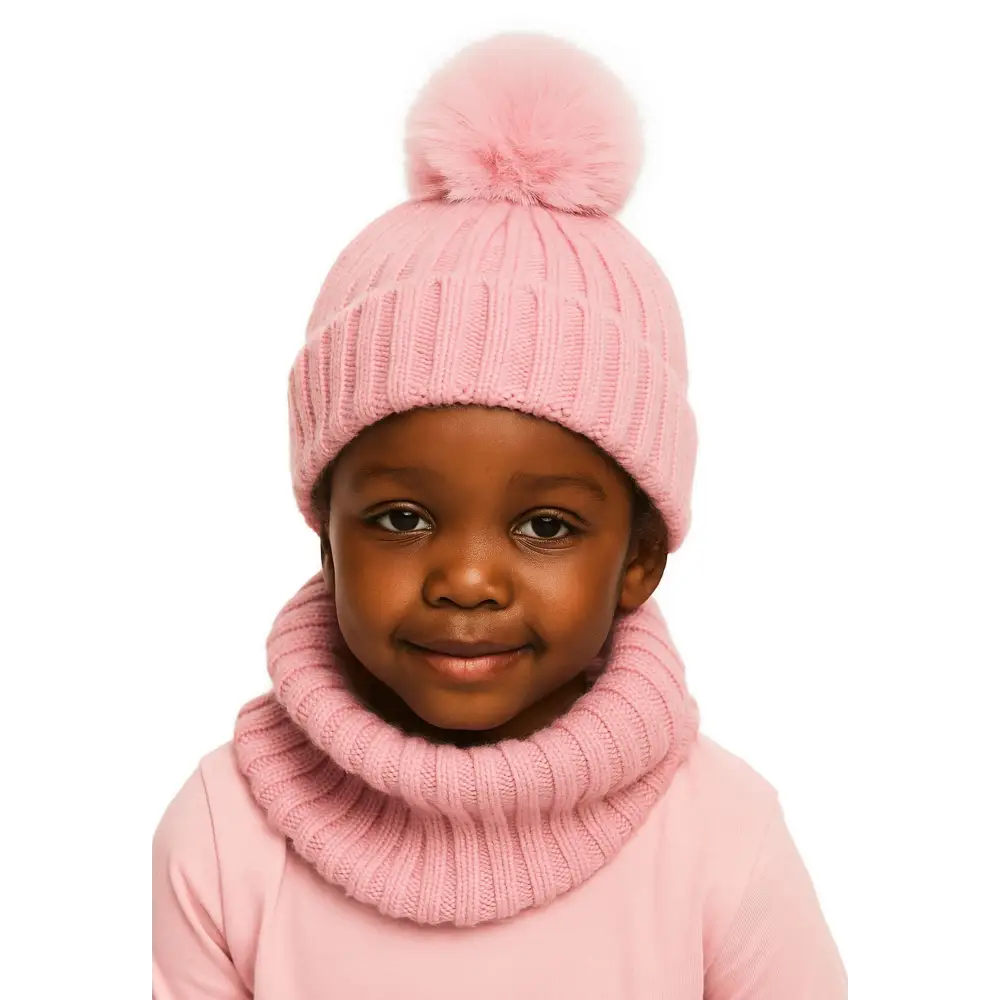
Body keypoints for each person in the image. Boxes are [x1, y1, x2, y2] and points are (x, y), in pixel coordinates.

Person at [152, 32, 847, 999]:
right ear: (324, 533)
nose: (467, 579)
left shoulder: (720, 839)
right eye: (399, 518)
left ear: (641, 558)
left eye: (548, 527)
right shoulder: (224, 836)